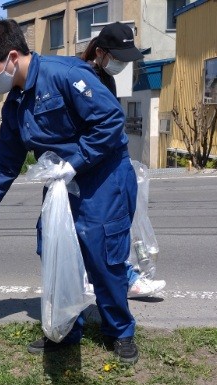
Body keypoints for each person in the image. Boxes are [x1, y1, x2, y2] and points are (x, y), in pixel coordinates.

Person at [0, 18, 140, 364]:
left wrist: (75, 161)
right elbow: (5, 161)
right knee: (56, 253)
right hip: (61, 184)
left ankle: (119, 330)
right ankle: (65, 328)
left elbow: (109, 121)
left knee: (103, 255)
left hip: (102, 176)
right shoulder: (15, 103)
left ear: (11, 57)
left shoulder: (64, 75)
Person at [81, 21, 166, 299]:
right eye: (118, 58)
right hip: (90, 165)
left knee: (117, 221)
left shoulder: (107, 77)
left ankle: (115, 276)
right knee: (104, 226)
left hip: (110, 160)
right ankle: (117, 279)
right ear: (101, 52)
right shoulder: (82, 77)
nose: (122, 64)